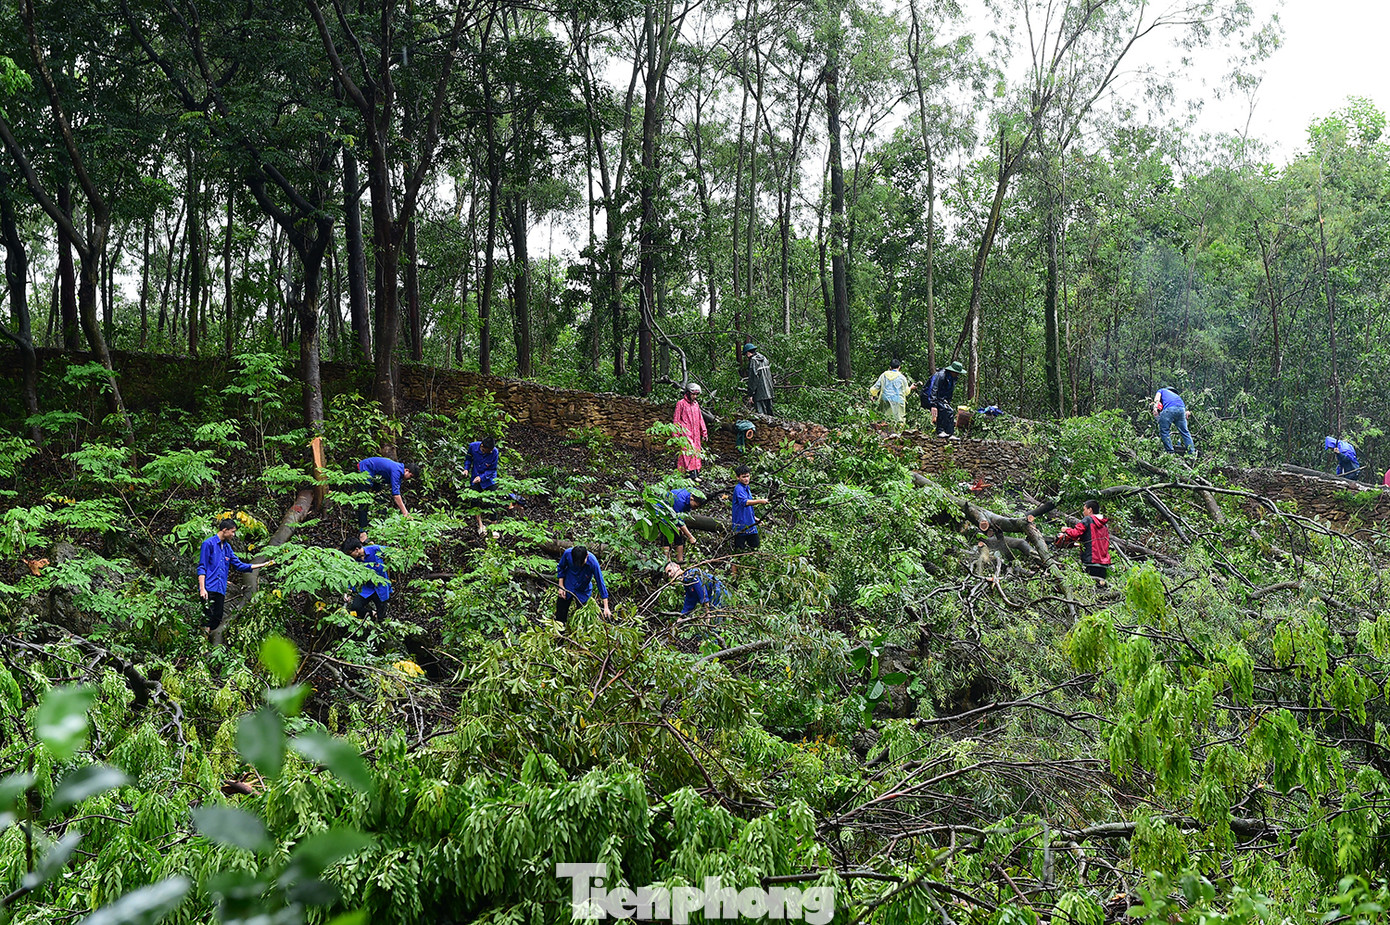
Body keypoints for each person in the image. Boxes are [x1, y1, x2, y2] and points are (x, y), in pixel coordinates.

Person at [197, 517, 275, 639]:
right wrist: (202, 588)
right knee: (207, 617)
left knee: (217, 618)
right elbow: (202, 567)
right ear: (224, 530)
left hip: (220, 589)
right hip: (209, 587)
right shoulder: (209, 544)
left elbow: (239, 565)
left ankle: (210, 643)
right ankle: (202, 648)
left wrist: (263, 564)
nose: (234, 534)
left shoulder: (227, 548)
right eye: (232, 531)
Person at [355, 456, 418, 539]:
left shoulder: (398, 471)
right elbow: (396, 494)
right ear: (406, 470)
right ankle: (362, 532)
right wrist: (405, 513)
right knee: (363, 502)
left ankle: (382, 525)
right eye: (411, 476)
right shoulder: (397, 470)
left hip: (375, 475)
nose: (410, 478)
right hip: (366, 469)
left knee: (382, 500)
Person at [1054, 499, 1112, 581]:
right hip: (1103, 563)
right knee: (1100, 588)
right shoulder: (1104, 524)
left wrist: (1066, 529)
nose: (1083, 512)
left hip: (1091, 560)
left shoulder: (1088, 520)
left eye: (1084, 509)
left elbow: (1075, 533)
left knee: (1089, 586)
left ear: (1090, 510)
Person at [340, 536, 391, 622]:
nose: (349, 556)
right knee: (356, 607)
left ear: (356, 549)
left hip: (381, 587)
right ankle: (372, 613)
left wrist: (388, 559)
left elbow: (392, 552)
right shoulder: (354, 561)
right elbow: (353, 576)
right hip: (366, 589)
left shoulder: (374, 549)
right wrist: (348, 591)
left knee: (382, 616)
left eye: (349, 553)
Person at [556, 544, 611, 623]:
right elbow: (561, 568)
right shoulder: (568, 554)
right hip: (568, 585)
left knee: (581, 618)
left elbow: (600, 582)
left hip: (583, 590)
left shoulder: (593, 562)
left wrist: (606, 607)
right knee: (560, 613)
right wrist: (561, 586)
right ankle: (560, 630)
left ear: (587, 556)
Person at [731, 465, 769, 577]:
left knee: (756, 548)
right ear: (738, 477)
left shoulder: (747, 488)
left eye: (747, 476)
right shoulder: (738, 489)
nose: (746, 479)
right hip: (741, 526)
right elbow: (745, 502)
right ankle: (734, 576)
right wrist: (760, 501)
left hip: (751, 526)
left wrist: (755, 518)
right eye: (743, 477)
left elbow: (748, 508)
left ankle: (754, 574)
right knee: (738, 552)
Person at [464, 436, 501, 535]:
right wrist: (466, 469)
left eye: (491, 450)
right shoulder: (473, 446)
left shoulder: (495, 452)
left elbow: (492, 469)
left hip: (489, 479)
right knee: (474, 500)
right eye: (488, 450)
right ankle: (480, 526)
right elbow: (468, 458)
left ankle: (494, 527)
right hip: (475, 477)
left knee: (492, 502)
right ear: (482, 446)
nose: (490, 452)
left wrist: (482, 478)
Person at [662, 487, 706, 564]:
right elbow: (679, 520)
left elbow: (680, 516)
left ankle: (680, 561)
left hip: (673, 514)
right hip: (663, 514)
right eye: (695, 506)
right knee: (666, 538)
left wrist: (679, 527)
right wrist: (690, 537)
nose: (695, 509)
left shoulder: (691, 494)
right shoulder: (680, 500)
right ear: (692, 499)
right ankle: (667, 563)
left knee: (679, 537)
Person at [673, 383, 708, 475]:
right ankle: (690, 475)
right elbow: (676, 420)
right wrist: (675, 435)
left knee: (696, 454)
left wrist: (704, 432)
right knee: (687, 454)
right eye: (693, 394)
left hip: (696, 434)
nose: (695, 396)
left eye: (696, 394)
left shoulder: (696, 405)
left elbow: (700, 419)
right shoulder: (681, 404)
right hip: (685, 433)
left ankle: (695, 474)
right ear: (688, 393)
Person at [869, 360, 915, 430]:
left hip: (885, 399)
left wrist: (873, 395)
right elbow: (906, 391)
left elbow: (876, 387)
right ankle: (898, 432)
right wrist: (911, 387)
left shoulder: (884, 375)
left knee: (884, 417)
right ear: (899, 367)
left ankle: (883, 432)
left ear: (890, 367)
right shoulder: (902, 377)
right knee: (899, 419)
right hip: (898, 400)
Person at [924, 361, 965, 438]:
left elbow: (949, 392)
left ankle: (949, 433)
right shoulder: (941, 375)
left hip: (940, 398)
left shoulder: (953, 378)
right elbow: (933, 389)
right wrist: (933, 404)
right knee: (942, 409)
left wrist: (947, 402)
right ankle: (940, 431)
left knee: (949, 411)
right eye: (956, 373)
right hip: (929, 396)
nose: (958, 374)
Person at [1152, 388, 1194, 455]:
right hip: (1181, 410)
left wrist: (1155, 408)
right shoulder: (1177, 396)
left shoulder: (1162, 390)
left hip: (1169, 409)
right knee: (1185, 432)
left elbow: (1157, 400)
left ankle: (1170, 453)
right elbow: (1179, 408)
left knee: (1164, 432)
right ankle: (1192, 453)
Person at [743, 343, 774, 416]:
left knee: (762, 415)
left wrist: (751, 394)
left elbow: (753, 379)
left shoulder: (753, 361)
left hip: (759, 393)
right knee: (770, 414)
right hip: (769, 390)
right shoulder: (764, 358)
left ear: (748, 353)